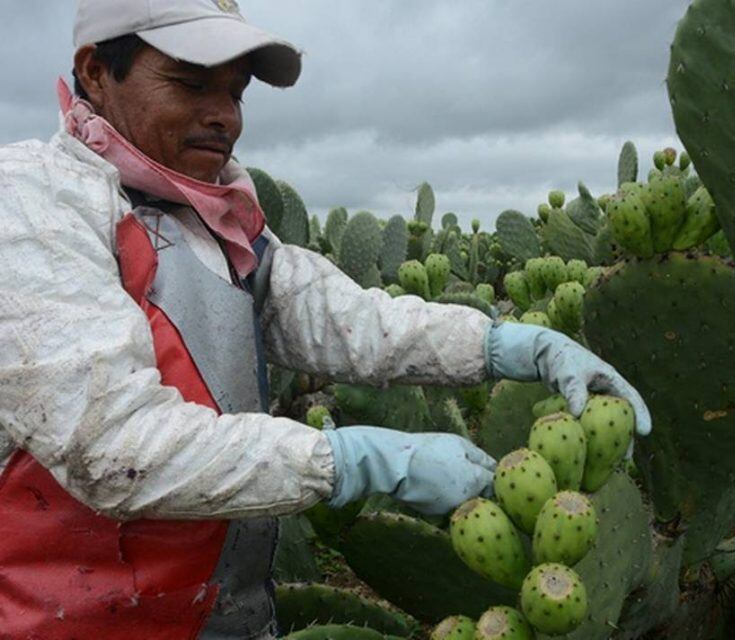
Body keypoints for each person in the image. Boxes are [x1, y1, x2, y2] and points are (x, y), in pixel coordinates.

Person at [0, 1, 651, 638]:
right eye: (190, 84)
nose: (223, 116)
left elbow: (350, 321)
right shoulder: (33, 203)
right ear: (94, 72)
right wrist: (352, 458)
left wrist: (508, 344)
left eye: (236, 92)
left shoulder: (215, 220)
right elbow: (113, 445)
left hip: (225, 615)